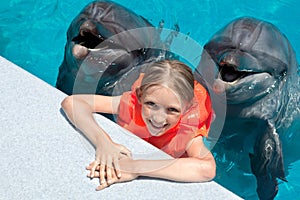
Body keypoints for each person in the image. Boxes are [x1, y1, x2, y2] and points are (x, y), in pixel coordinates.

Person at [61, 59, 216, 190]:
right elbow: (73, 103)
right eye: (151, 104)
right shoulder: (131, 105)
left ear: (188, 107)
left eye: (172, 110)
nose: (158, 119)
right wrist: (103, 143)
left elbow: (207, 169)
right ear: (140, 96)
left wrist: (135, 167)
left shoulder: (188, 131)